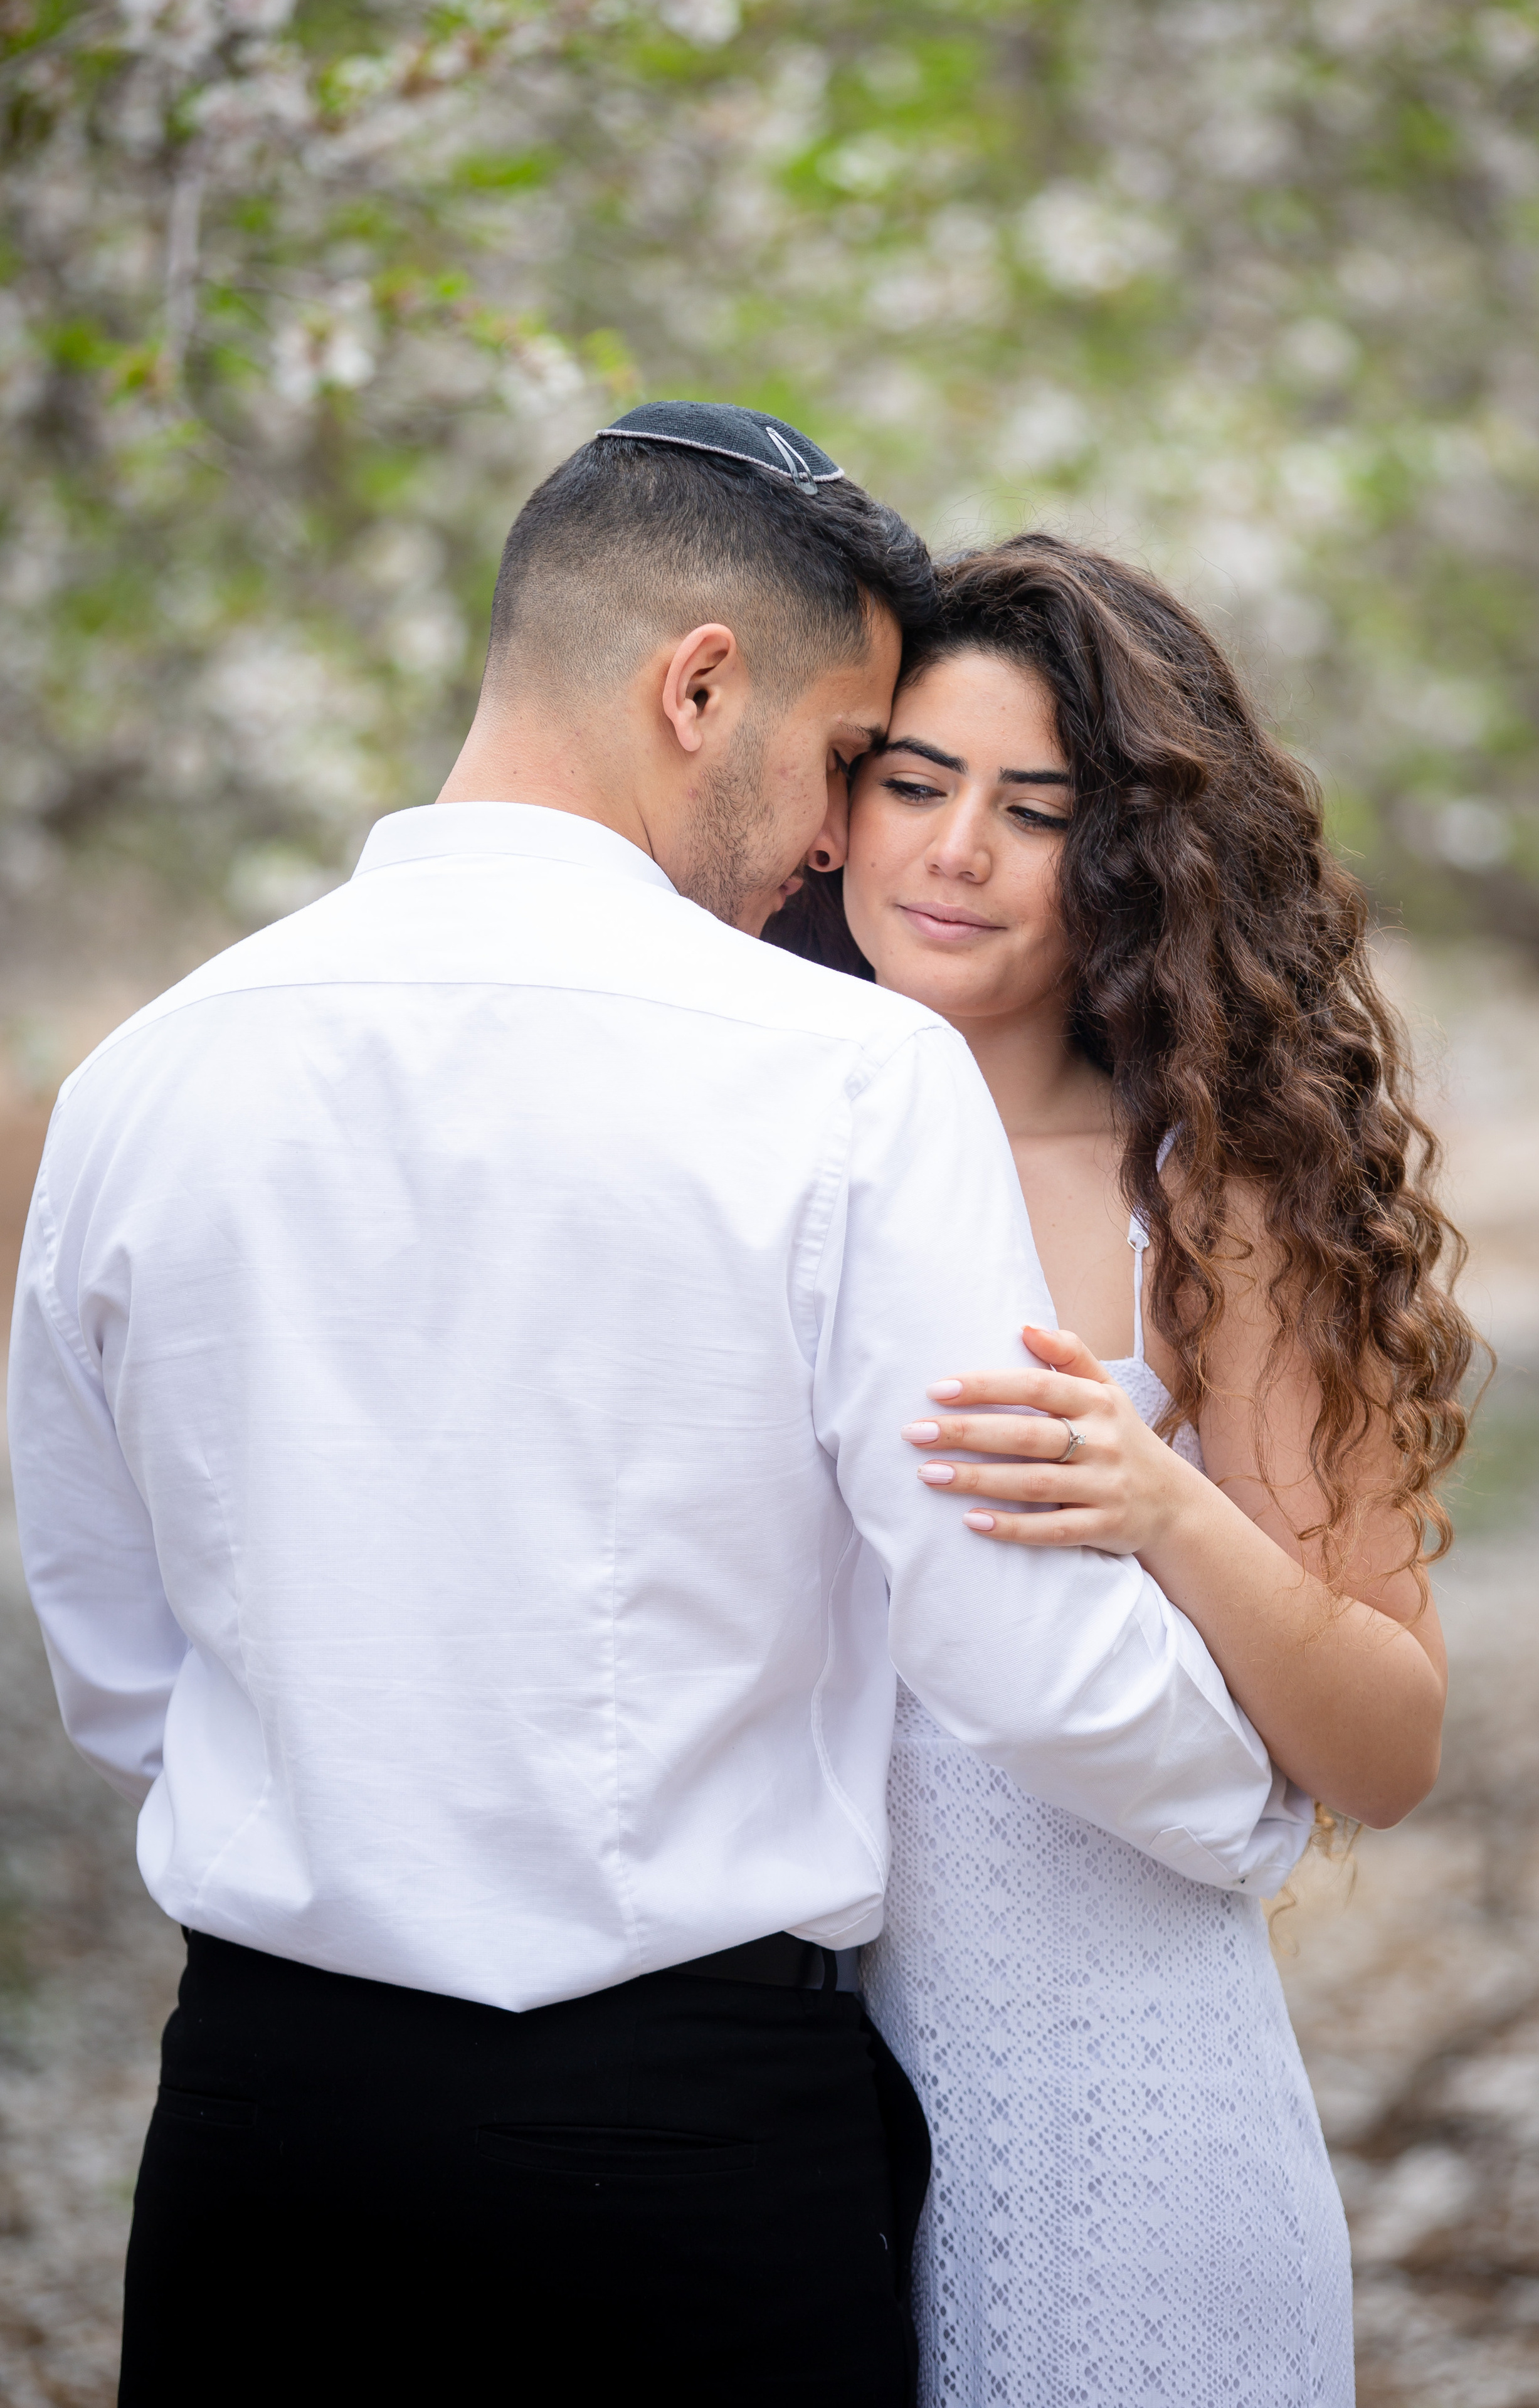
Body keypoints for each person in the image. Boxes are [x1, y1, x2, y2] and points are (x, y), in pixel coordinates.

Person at [6, 411, 1311, 2408]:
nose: (832, 838)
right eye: (847, 763)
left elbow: (112, 1658)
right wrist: (1247, 1802)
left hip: (265, 2130)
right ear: (702, 686)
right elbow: (1009, 1642)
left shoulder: (144, 1084)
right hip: (685, 2137)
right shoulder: (851, 1080)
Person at [766, 532, 1478, 2407]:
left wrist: (1161, 1504)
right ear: (834, 806)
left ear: (1132, 861)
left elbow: (1389, 1746)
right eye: (911, 783)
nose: (954, 851)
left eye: (1035, 810)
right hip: (753, 2115)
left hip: (1116, 2114)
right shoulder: (732, 1143)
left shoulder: (1215, 1202)